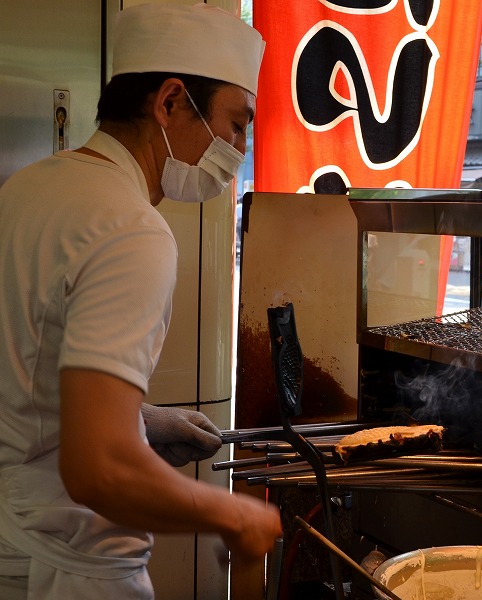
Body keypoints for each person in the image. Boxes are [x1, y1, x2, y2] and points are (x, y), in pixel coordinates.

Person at [0, 4, 281, 599]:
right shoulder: (132, 230)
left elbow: (23, 377)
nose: (239, 147)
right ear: (172, 101)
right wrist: (235, 515)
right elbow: (97, 468)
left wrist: (140, 424)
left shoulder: (30, 187)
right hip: (70, 569)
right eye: (236, 124)